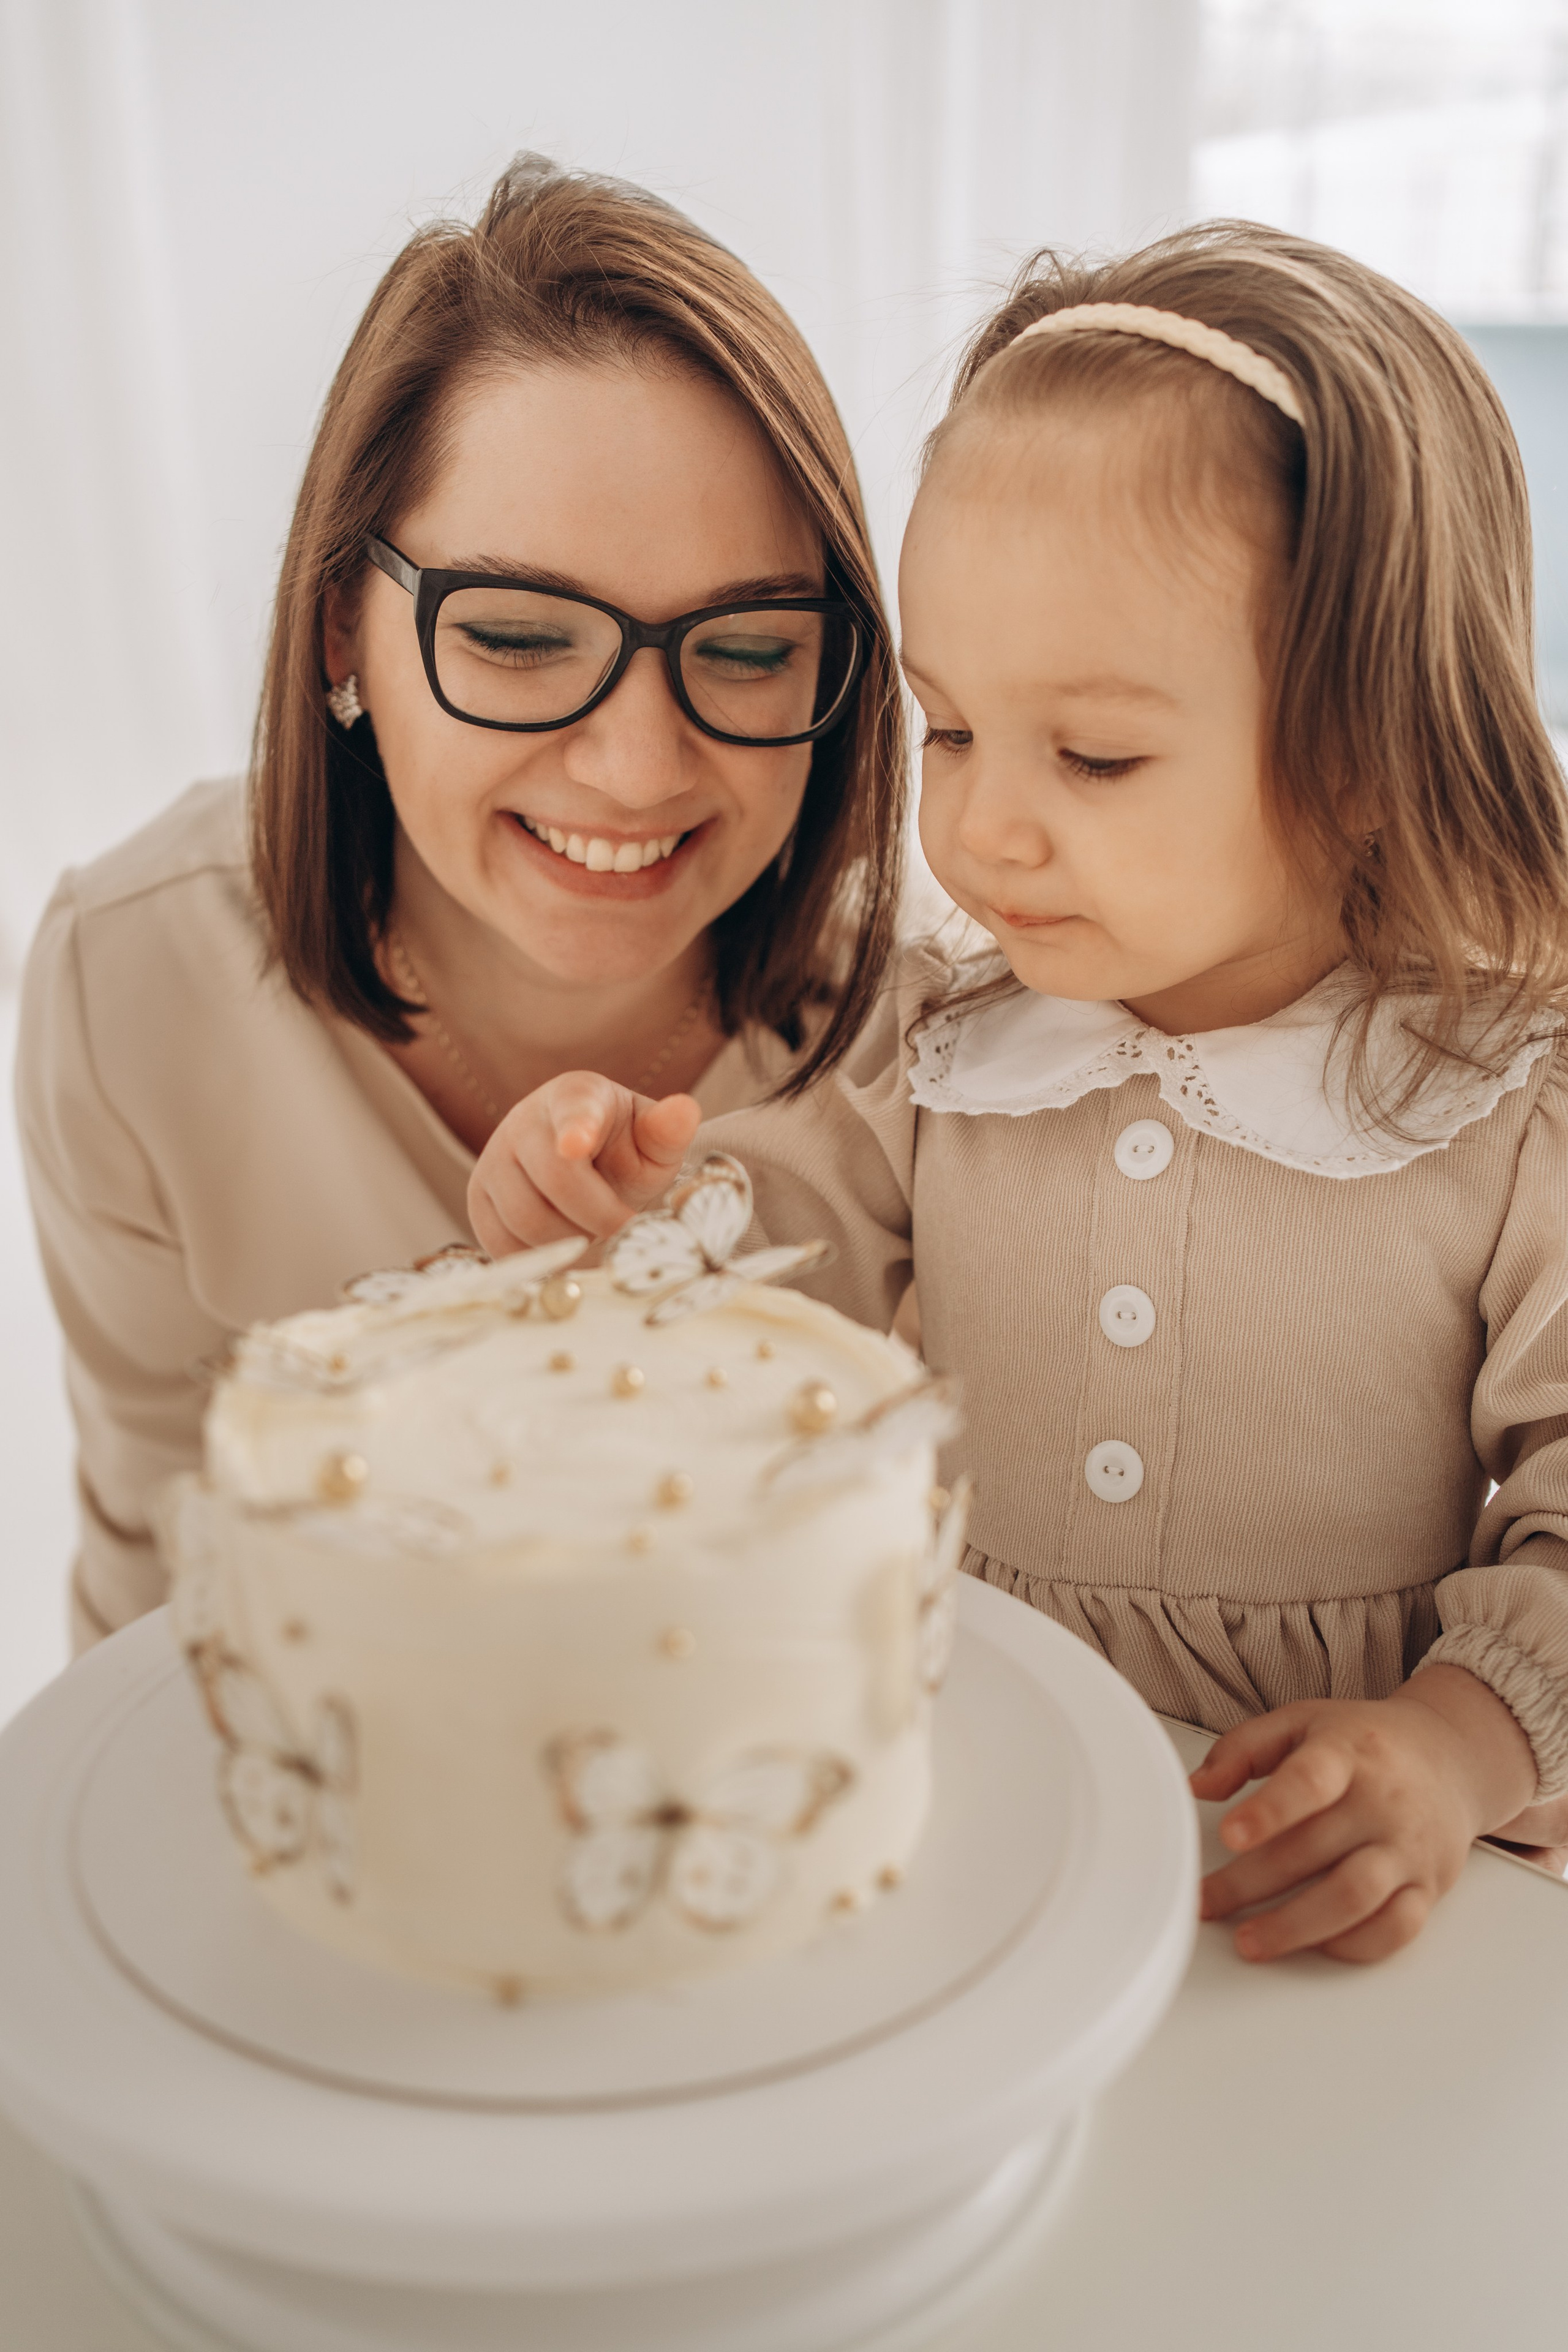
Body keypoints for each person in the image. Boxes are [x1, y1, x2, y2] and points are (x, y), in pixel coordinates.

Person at [468, 222, 1568, 1962]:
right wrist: (615, 1209)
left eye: (1098, 755)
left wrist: (1453, 1745)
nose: (979, 830)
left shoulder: (1503, 1113)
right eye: (953, 728)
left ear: (1365, 749)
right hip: (973, 1813)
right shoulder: (944, 1046)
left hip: (1325, 1881)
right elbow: (762, 1261)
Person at [16, 154, 905, 1651]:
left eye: (749, 650)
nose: (634, 767)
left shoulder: (938, 1032)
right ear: (338, 641)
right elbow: (158, 1579)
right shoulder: (132, 986)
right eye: (512, 636)